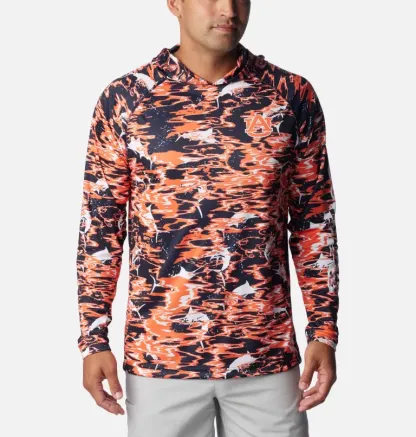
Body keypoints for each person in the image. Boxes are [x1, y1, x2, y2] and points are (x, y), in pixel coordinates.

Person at [76, 0, 339, 435]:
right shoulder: (126, 99)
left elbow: (314, 222)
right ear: (174, 3)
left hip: (268, 356)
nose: (228, 9)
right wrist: (93, 339)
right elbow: (100, 228)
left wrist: (323, 332)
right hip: (161, 358)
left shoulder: (291, 95)